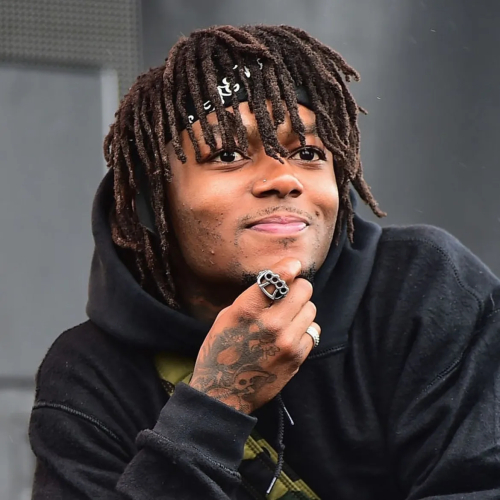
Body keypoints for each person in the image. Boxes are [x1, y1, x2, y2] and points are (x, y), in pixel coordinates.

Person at [29, 24, 500, 500]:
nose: (284, 178)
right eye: (228, 154)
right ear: (153, 201)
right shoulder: (89, 376)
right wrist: (218, 400)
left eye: (309, 152)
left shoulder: (425, 290)